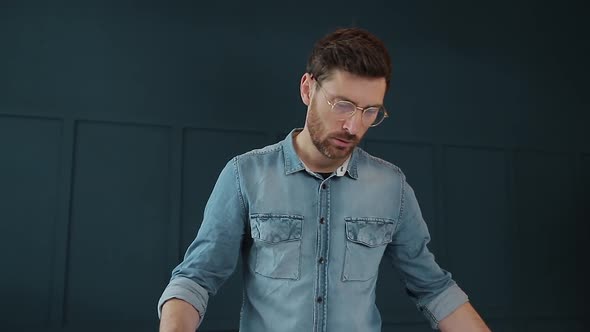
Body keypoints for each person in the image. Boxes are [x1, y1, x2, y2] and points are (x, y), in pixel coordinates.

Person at [158, 27, 490, 332]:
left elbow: (434, 290)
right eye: (343, 105)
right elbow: (196, 279)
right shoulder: (245, 175)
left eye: (370, 111)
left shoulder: (393, 187)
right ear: (308, 88)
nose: (354, 126)